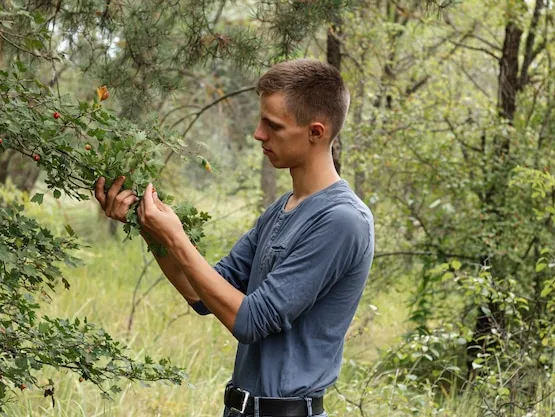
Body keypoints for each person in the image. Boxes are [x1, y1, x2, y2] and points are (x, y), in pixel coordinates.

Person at [94, 59, 374, 417]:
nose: (258, 134)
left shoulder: (342, 221)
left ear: (316, 132)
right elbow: (200, 294)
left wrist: (178, 238)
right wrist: (148, 226)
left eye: (273, 126)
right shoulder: (280, 210)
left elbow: (251, 321)